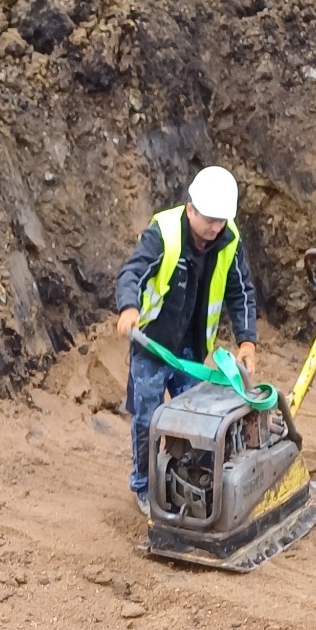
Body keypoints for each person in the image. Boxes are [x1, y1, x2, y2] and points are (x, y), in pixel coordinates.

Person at [114, 166, 258, 515]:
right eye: (209, 219)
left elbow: (241, 292)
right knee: (147, 420)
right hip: (152, 343)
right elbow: (133, 272)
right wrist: (129, 307)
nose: (215, 227)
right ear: (191, 209)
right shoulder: (163, 233)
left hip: (192, 349)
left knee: (197, 422)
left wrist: (247, 341)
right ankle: (145, 486)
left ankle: (189, 484)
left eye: (221, 220)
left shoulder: (229, 239)